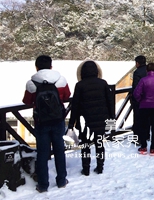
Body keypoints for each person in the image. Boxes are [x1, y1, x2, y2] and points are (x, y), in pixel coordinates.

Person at [22, 55, 71, 192]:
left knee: (42, 153)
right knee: (59, 150)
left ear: (36, 67)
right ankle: (61, 180)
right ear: (51, 66)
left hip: (41, 121)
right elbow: (67, 96)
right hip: (58, 120)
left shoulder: (31, 83)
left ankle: (43, 185)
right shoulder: (61, 80)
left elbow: (27, 101)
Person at [69, 60, 114, 176]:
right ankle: (100, 167)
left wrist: (71, 124)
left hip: (85, 122)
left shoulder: (79, 85)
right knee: (99, 144)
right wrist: (111, 122)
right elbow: (110, 104)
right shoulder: (103, 83)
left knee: (85, 145)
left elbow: (75, 106)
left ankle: (86, 169)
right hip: (101, 120)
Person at [133, 63, 154, 155]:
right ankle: (153, 148)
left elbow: (136, 93)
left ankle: (143, 146)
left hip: (144, 105)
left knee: (143, 126)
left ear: (146, 70)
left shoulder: (143, 80)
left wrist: (141, 100)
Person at [131, 55, 147, 144]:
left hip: (139, 99)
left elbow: (136, 87)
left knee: (137, 118)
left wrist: (134, 98)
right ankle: (146, 135)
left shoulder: (137, 72)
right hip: (148, 98)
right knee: (146, 118)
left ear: (137, 63)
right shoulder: (148, 70)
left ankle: (137, 138)